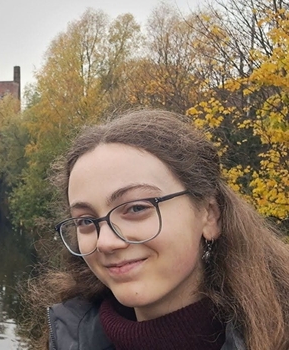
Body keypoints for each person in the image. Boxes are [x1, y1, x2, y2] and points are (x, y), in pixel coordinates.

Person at [30, 110, 289, 350]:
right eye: (85, 221)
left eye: (136, 208)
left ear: (209, 215)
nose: (105, 242)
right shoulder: (68, 336)